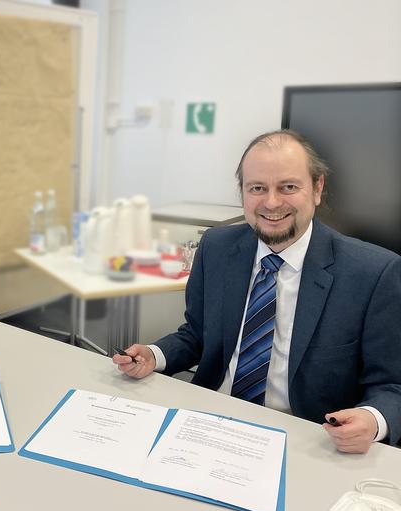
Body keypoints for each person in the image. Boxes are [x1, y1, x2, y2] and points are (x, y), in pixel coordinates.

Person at [113, 129, 401, 453]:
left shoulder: (373, 273)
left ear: (317, 188)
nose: (272, 202)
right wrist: (155, 355)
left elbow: (392, 386)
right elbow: (196, 335)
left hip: (307, 440)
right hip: (209, 423)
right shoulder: (216, 247)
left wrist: (373, 419)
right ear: (243, 193)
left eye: (288, 187)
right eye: (257, 188)